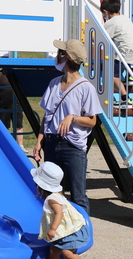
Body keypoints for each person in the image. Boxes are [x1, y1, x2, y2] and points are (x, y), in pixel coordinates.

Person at [33, 39, 102, 214]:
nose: (57, 56)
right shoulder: (54, 83)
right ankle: (55, 231)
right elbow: (47, 116)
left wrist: (72, 117)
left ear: (67, 57)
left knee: (78, 195)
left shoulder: (86, 88)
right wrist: (39, 141)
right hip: (51, 143)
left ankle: (81, 235)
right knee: (51, 192)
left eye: (60, 53)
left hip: (73, 147)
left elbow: (92, 121)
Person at [33, 162, 90, 259]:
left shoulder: (52, 199)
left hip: (71, 231)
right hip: (64, 231)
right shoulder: (56, 194)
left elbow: (59, 214)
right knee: (54, 252)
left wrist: (52, 229)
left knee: (67, 253)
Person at [100, 0, 133, 106]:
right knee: (125, 59)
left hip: (125, 50)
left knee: (113, 76)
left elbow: (103, 38)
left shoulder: (110, 23)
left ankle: (125, 98)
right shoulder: (125, 18)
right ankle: (130, 77)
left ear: (105, 12)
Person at [0, 69, 27, 153]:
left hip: (17, 105)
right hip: (3, 106)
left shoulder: (17, 75)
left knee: (19, 126)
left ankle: (20, 146)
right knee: (4, 127)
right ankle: (6, 146)